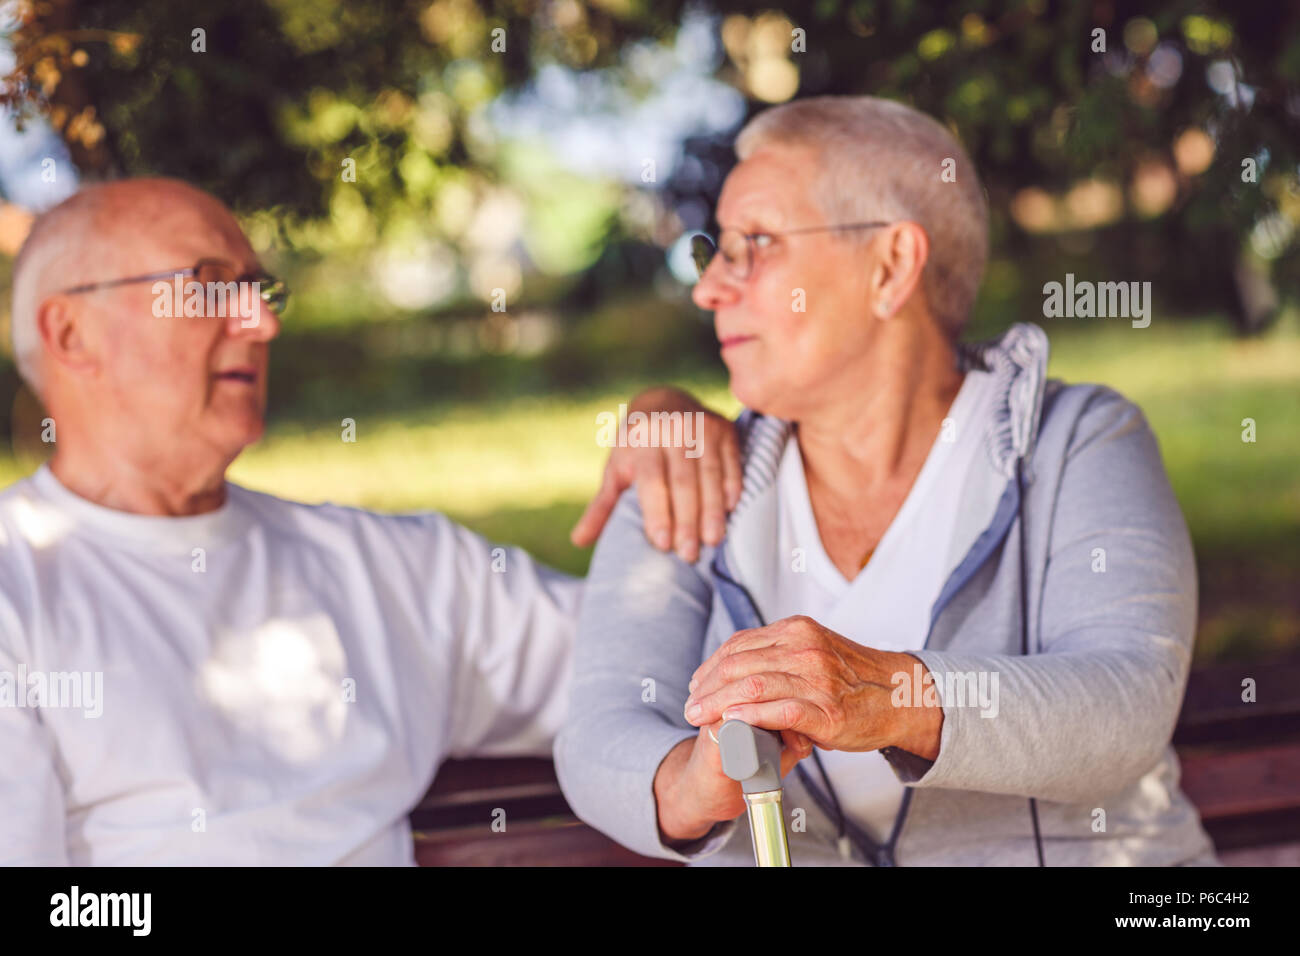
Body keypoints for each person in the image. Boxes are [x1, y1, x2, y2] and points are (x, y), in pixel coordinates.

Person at [555, 95, 1220, 866]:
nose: (709, 290)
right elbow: (601, 732)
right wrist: (694, 782)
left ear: (892, 265)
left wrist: (891, 695)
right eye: (716, 250)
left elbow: (1127, 704)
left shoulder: (1079, 440)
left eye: (757, 244)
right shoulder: (686, 472)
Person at [0, 177, 740, 865]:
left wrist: (664, 418)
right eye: (209, 288)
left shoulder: (391, 569)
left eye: (260, 290)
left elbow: (655, 665)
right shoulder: (16, 592)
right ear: (70, 334)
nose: (260, 323)